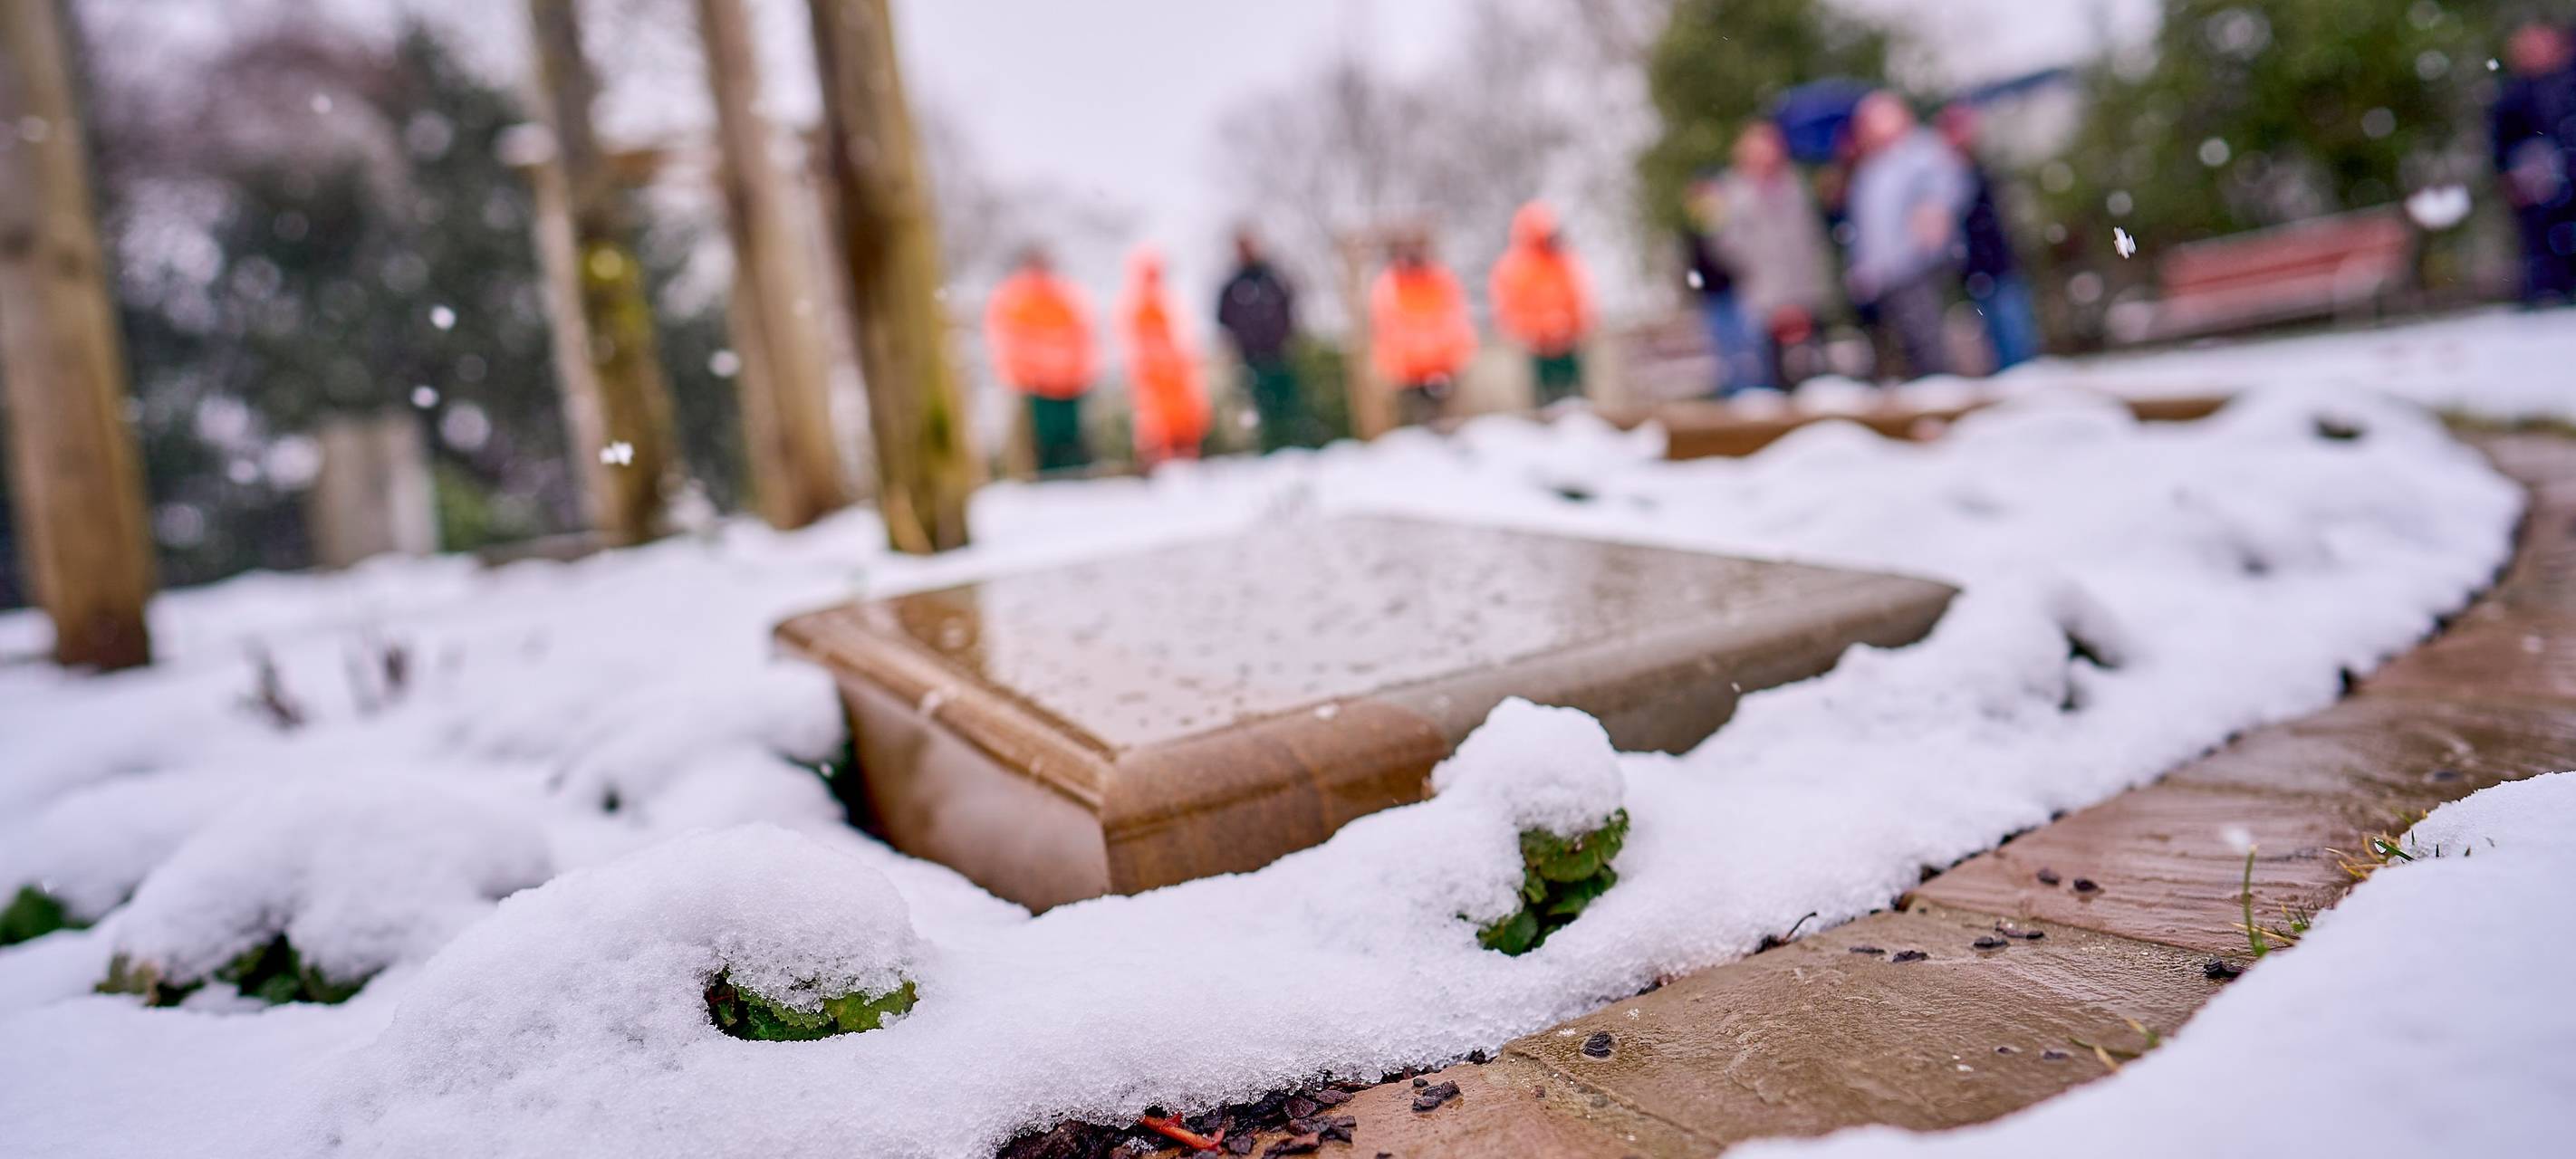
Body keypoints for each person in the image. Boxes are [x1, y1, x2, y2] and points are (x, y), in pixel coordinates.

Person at [1843, 91, 1971, 381]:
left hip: (1918, 264)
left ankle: (1941, 389)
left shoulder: (1923, 150)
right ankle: (1920, 390)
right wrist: (1862, 266)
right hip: (1885, 275)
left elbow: (1951, 185)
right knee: (1905, 343)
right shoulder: (1869, 168)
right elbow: (1866, 226)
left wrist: (1936, 209)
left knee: (1928, 336)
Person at [1709, 123, 1837, 389]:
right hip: (1763, 299)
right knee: (1771, 375)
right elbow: (1726, 247)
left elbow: (1811, 242)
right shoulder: (1731, 193)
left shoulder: (1797, 186)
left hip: (1805, 295)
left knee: (1815, 372)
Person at [1937, 104, 2041, 370]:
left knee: (2013, 333)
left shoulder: (1974, 170)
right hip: (1980, 267)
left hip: (1996, 264)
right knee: (2003, 335)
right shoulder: (1952, 176)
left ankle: (2024, 378)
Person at [984, 246, 1097, 474]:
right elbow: (1007, 338)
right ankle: (1048, 471)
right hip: (1038, 383)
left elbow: (1082, 334)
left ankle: (1070, 470)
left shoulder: (1063, 295)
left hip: (1067, 381)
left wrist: (1081, 370)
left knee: (1068, 433)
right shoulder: (1017, 298)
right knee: (1045, 436)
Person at [2492, 19, 2576, 306]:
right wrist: (2508, 173)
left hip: (2566, 171)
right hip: (2540, 180)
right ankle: (2549, 290)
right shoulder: (2514, 94)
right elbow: (2503, 138)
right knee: (2544, 238)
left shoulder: (2567, 82)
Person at [1215, 229, 1315, 452]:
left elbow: (1290, 306)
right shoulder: (1232, 286)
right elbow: (1223, 322)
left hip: (1280, 353)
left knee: (1290, 404)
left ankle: (1299, 447)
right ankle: (1272, 450)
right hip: (1252, 358)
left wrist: (1290, 336)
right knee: (1263, 408)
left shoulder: (1273, 277)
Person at [1488, 201, 1595, 407]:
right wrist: (1538, 332)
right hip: (1538, 349)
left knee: (1577, 401)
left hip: (1569, 343)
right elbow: (1509, 309)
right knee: (1545, 402)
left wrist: (1574, 328)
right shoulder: (1516, 268)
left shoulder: (1564, 262)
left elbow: (1580, 298)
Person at [1368, 233, 1476, 427]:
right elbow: (1386, 329)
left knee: (1448, 421)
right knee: (1416, 426)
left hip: (1443, 366)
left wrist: (1456, 357)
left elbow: (1455, 319)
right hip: (1409, 371)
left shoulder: (1441, 280)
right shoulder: (1389, 287)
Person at [1119, 246, 1209, 468]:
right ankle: (1163, 465)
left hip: (1173, 375)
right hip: (1156, 377)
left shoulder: (1166, 301)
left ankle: (1184, 461)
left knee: (1181, 421)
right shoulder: (1139, 305)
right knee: (1158, 423)